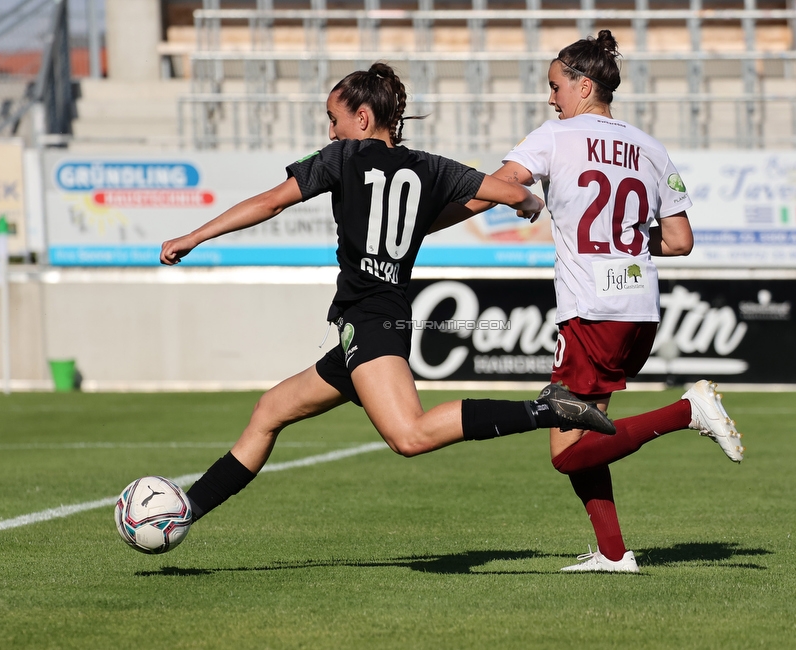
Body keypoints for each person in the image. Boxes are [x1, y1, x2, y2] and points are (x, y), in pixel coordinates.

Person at [158, 62, 615, 524]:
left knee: (409, 436)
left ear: (361, 119)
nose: (331, 132)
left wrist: (193, 237)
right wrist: (529, 202)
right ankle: (186, 513)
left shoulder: (343, 159)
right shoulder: (432, 167)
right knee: (270, 411)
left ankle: (543, 408)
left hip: (370, 321)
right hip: (375, 319)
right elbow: (509, 192)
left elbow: (270, 202)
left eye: (334, 120)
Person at [467, 31, 745, 573]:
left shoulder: (556, 137)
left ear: (584, 85)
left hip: (591, 309)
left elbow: (498, 185)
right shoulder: (650, 147)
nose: (551, 99)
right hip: (640, 309)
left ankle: (687, 411)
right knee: (588, 431)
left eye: (555, 86)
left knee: (567, 451)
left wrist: (449, 212)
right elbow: (682, 240)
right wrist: (627, 243)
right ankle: (614, 553)